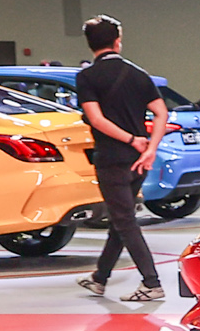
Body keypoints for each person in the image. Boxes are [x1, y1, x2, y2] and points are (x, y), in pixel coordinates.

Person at [72, 15, 171, 302]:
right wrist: (149, 148)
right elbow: (162, 113)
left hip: (111, 159)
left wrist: (129, 139)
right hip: (138, 160)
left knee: (124, 220)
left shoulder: (87, 77)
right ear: (118, 41)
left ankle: (152, 283)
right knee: (121, 218)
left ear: (90, 45)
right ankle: (99, 278)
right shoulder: (138, 74)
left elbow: (96, 119)